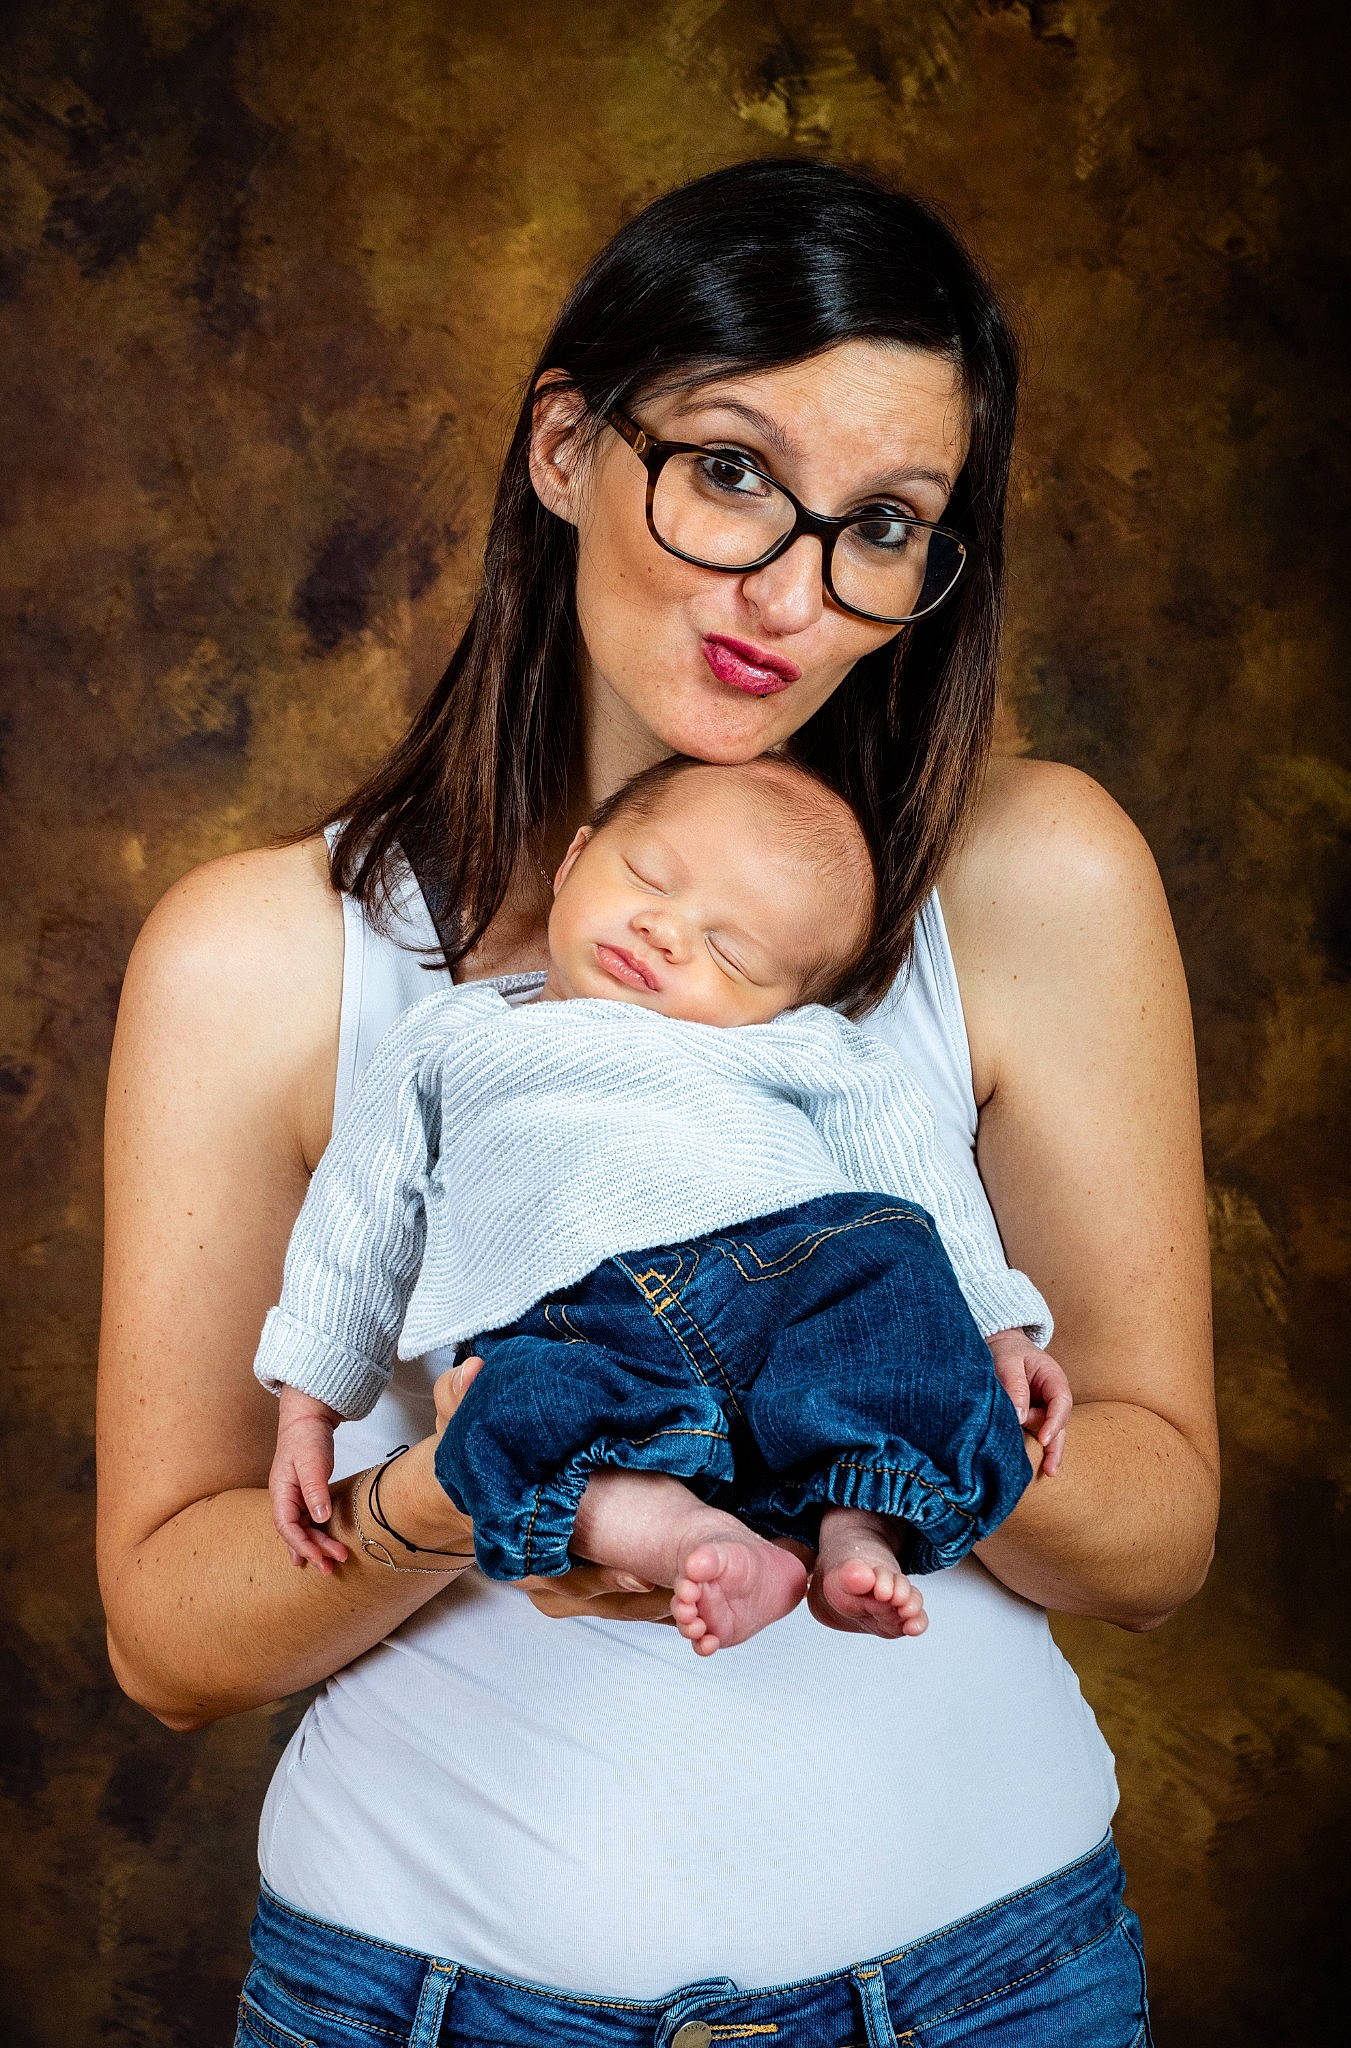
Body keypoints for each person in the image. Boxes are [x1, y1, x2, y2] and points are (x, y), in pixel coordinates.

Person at [97, 158, 1216, 2044]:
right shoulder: (259, 959)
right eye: (726, 471)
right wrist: (472, 1489)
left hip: (986, 1990)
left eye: (881, 522)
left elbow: (1160, 1536)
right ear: (564, 448)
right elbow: (168, 1639)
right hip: (419, 1995)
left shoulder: (1037, 876)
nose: (791, 589)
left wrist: (902, 1402)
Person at [258, 753, 1072, 1656]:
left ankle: (857, 1525)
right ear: (571, 861)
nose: (664, 930)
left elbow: (918, 1176)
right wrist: (311, 1402)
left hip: (791, 1263)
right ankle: (695, 1541)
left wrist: (997, 1325)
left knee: (896, 1280)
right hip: (576, 1305)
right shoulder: (451, 1038)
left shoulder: (805, 1050)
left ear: (784, 1007)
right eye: (646, 877)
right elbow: (358, 1212)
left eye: (732, 951)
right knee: (504, 1416)